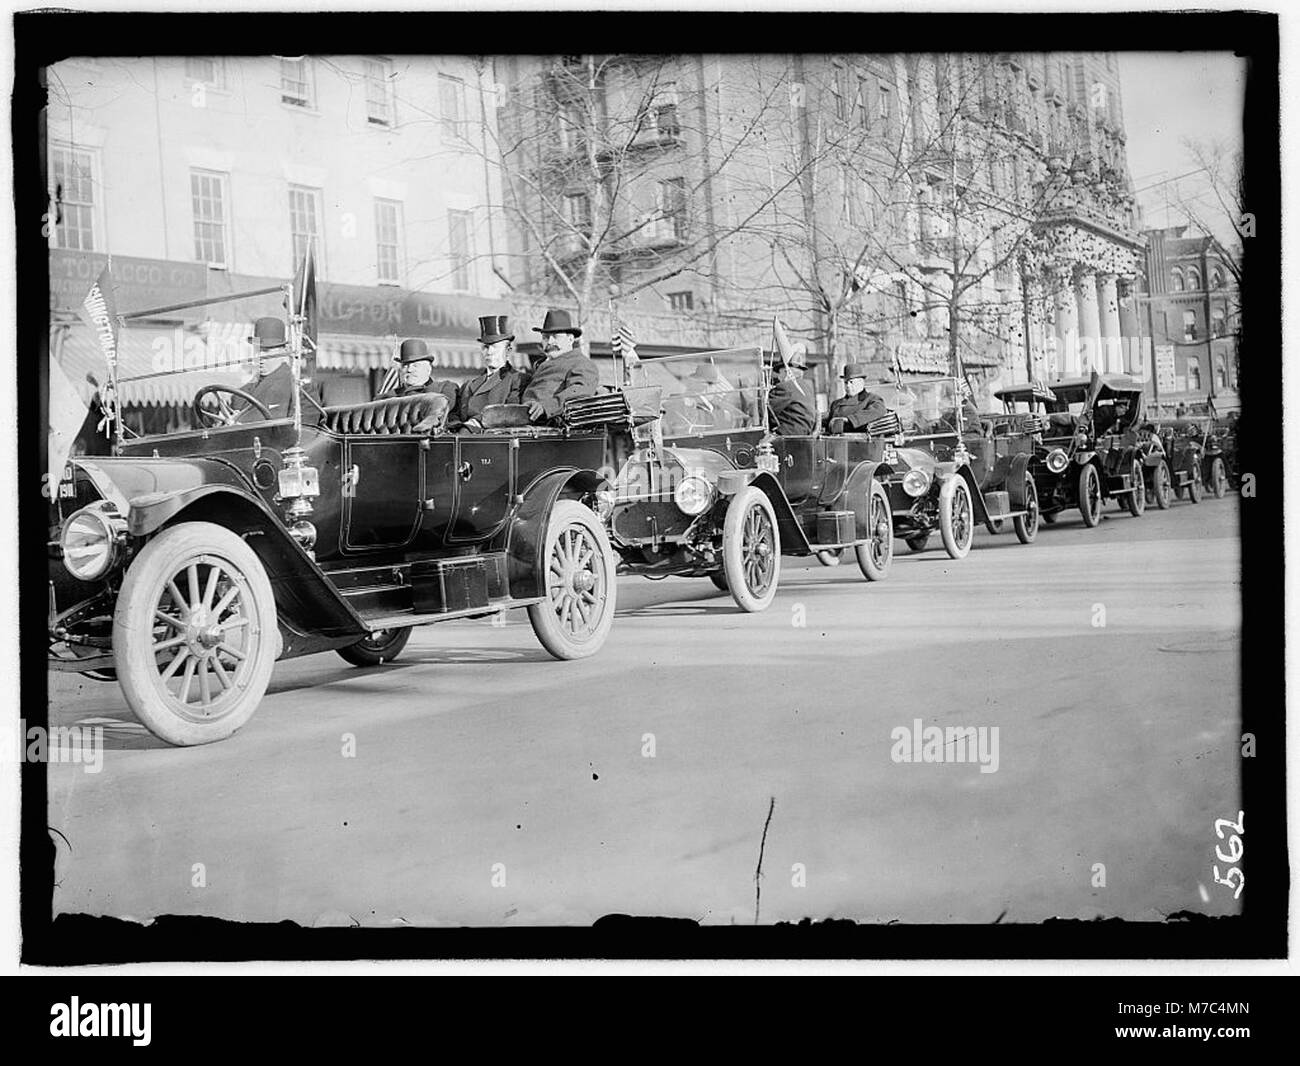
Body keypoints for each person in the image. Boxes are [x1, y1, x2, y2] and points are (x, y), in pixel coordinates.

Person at [449, 316, 528, 431]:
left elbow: (510, 413)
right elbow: (454, 414)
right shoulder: (469, 385)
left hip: (494, 442)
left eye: (495, 347)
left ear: (508, 351)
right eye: (485, 347)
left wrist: (474, 423)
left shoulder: (518, 380)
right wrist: (457, 426)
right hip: (464, 437)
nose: (489, 352)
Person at [521, 309, 601, 423]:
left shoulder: (581, 364)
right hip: (525, 421)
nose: (549, 342)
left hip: (551, 427)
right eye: (545, 337)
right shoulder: (543, 364)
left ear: (570, 339)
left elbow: (579, 392)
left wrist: (545, 407)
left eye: (556, 336)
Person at [382, 338, 459, 405]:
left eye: (416, 366)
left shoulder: (444, 388)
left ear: (428, 369)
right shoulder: (390, 396)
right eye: (405, 366)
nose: (409, 370)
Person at [767, 343, 819, 435]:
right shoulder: (806, 387)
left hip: (788, 435)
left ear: (786, 372)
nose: (779, 377)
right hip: (804, 434)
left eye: (780, 373)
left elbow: (765, 409)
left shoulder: (785, 387)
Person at [825, 363, 888, 433]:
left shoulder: (872, 399)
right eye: (846, 382)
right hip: (835, 441)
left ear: (861, 382)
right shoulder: (836, 404)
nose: (848, 386)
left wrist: (849, 419)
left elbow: (878, 411)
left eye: (851, 382)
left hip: (860, 441)